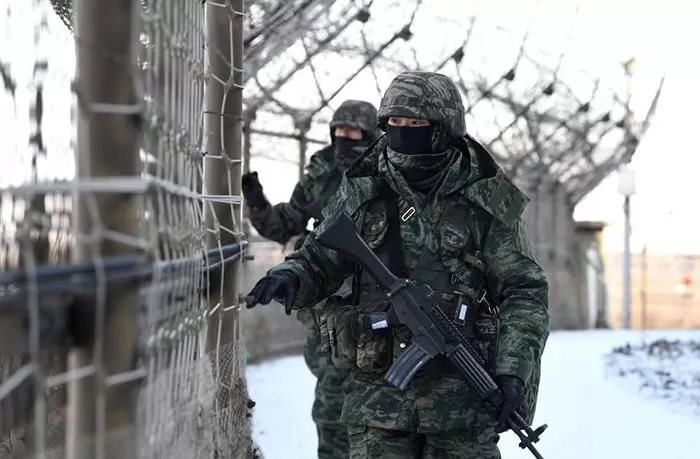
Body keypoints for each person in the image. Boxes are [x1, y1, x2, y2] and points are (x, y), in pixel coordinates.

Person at [245, 71, 550, 459]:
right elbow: (320, 259)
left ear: (444, 127)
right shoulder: (363, 187)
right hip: (378, 402)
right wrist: (291, 275)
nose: (403, 132)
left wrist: (513, 372)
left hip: (462, 403)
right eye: (394, 123)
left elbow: (524, 291)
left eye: (416, 124)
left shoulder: (487, 199)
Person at [241, 99, 379, 459]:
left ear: (371, 134)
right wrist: (257, 204)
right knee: (332, 397)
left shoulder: (389, 172)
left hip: (380, 303)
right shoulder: (321, 173)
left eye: (353, 132)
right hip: (326, 304)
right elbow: (284, 225)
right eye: (339, 131)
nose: (345, 138)